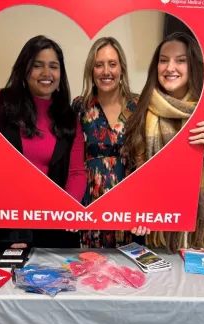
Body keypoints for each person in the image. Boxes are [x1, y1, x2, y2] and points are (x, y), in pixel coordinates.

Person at [0, 35, 86, 248]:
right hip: (5, 223)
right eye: (37, 65)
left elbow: (76, 173)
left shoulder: (69, 118)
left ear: (61, 74)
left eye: (53, 66)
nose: (46, 73)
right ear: (25, 70)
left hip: (52, 226)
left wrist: (69, 209)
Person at [125, 32, 204, 252]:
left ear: (194, 64)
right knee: (166, 272)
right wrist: (142, 206)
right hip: (161, 200)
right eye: (164, 60)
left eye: (181, 60)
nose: (170, 67)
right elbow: (141, 165)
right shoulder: (145, 103)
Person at [72, 37, 148, 248]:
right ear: (91, 70)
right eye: (99, 65)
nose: (106, 71)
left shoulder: (138, 104)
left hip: (129, 203)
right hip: (90, 202)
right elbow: (73, 158)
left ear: (121, 69)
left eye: (112, 64)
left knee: (127, 268)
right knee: (91, 271)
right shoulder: (80, 106)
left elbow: (148, 158)